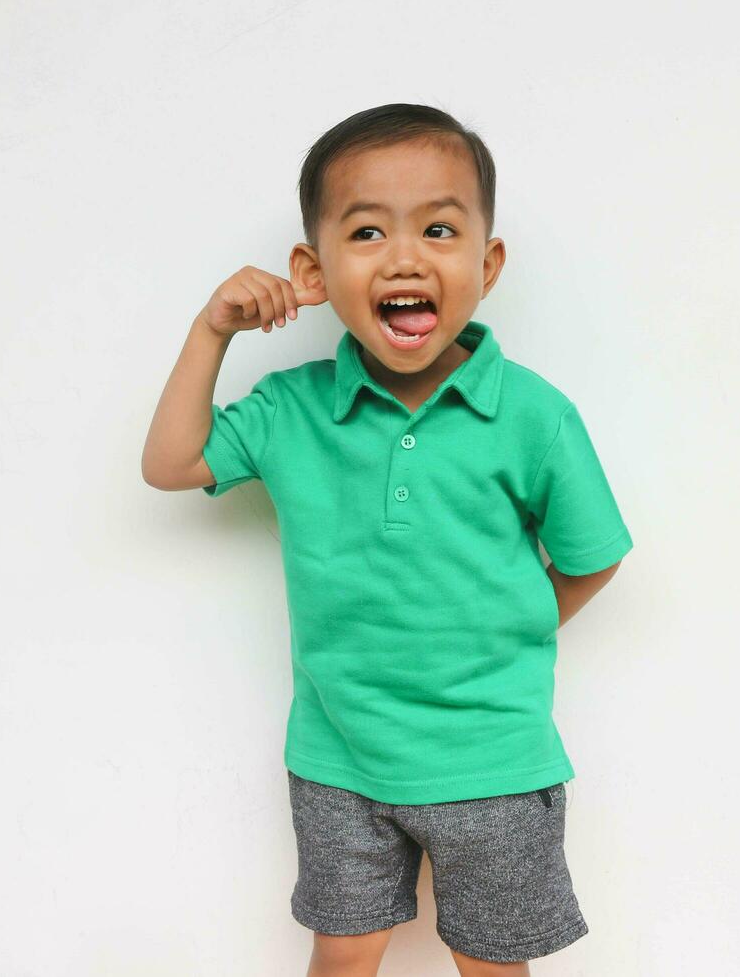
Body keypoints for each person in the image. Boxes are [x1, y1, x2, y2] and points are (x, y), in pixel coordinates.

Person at [142, 103, 634, 976]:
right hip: (339, 760)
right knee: (342, 958)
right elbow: (170, 464)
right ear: (312, 269)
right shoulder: (290, 411)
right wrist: (211, 329)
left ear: (486, 265)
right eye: (367, 231)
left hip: (495, 763)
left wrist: (514, 623)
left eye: (439, 229)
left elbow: (594, 557)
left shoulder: (533, 415)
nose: (406, 256)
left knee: (492, 966)